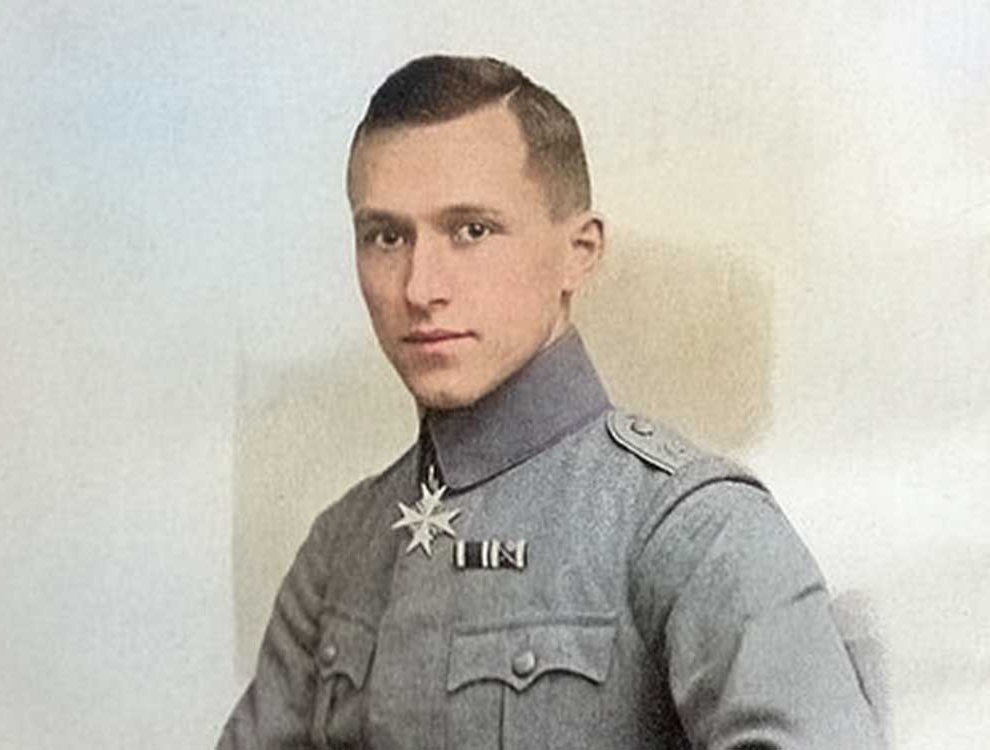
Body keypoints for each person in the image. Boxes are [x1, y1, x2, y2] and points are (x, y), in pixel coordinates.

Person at [217, 54, 884, 749]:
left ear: (579, 252)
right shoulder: (341, 549)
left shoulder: (692, 527)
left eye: (471, 230)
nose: (420, 287)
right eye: (387, 236)